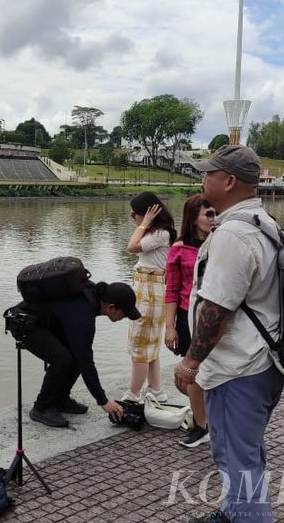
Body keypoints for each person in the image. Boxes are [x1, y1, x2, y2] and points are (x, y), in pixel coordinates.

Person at [177, 145, 284, 523]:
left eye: (209, 174)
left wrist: (190, 362)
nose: (203, 181)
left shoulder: (233, 236)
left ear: (229, 182)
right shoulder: (264, 223)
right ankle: (232, 512)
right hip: (262, 360)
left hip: (240, 365)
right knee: (241, 449)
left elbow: (216, 309)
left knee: (238, 456)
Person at [24, 282, 135, 428]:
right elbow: (86, 362)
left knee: (75, 355)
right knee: (62, 359)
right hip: (25, 323)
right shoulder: (84, 315)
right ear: (111, 307)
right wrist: (103, 401)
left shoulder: (90, 299)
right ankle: (41, 407)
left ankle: (60, 399)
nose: (125, 317)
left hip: (45, 322)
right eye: (125, 313)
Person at [164, 193, 216, 448]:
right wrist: (170, 326)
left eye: (215, 213)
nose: (213, 218)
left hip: (218, 317)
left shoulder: (222, 243)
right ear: (193, 218)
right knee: (192, 372)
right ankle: (200, 424)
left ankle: (213, 418)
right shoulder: (179, 247)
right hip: (188, 315)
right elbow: (172, 289)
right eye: (208, 214)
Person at [124, 192, 177, 402]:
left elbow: (131, 247)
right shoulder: (158, 234)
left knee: (140, 344)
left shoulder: (161, 234)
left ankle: (132, 395)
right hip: (148, 287)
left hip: (149, 288)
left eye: (134, 214)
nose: (134, 218)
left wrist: (144, 223)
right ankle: (156, 390)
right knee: (150, 344)